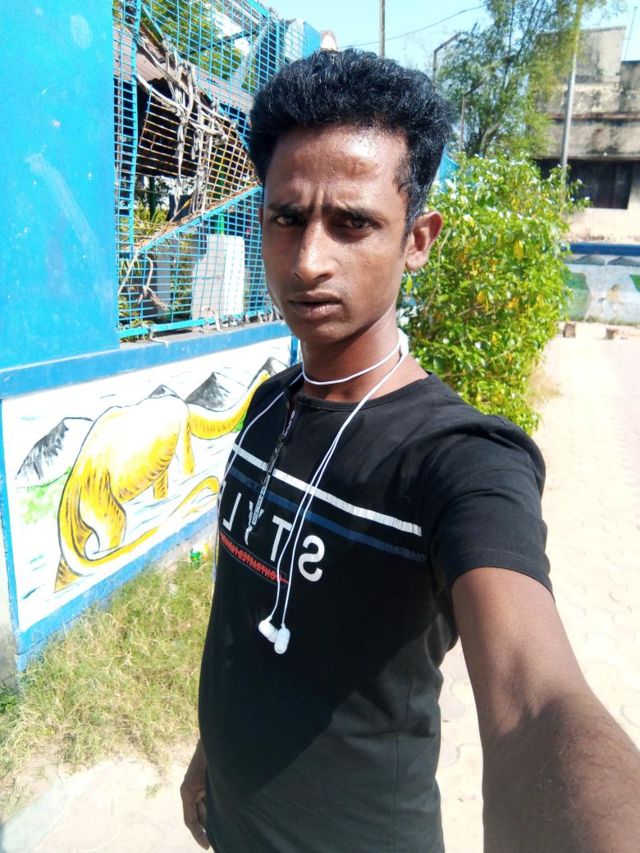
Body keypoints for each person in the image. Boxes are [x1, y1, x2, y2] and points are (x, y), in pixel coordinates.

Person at [181, 49, 640, 852]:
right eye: (287, 218)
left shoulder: (458, 459)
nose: (309, 259)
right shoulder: (268, 408)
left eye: (352, 223)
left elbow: (536, 700)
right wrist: (207, 755)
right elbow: (242, 625)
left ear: (418, 239)